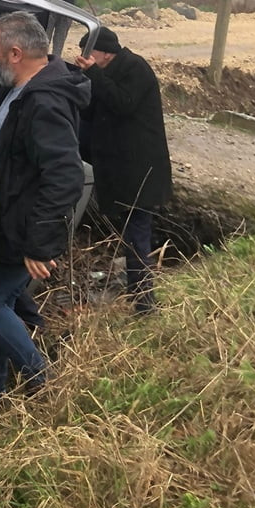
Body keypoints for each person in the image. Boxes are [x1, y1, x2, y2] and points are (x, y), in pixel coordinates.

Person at [0, 11, 89, 409]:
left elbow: (65, 176)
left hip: (20, 230)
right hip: (9, 223)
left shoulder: (44, 103)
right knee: (0, 304)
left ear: (14, 53)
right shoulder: (27, 85)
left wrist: (39, 245)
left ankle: (44, 381)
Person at [74, 27, 172, 314]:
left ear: (105, 52)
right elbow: (93, 111)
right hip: (122, 170)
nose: (85, 58)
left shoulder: (135, 68)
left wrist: (93, 75)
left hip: (140, 172)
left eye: (88, 53)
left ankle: (143, 302)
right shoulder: (106, 72)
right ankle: (139, 295)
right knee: (133, 234)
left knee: (137, 234)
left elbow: (122, 103)